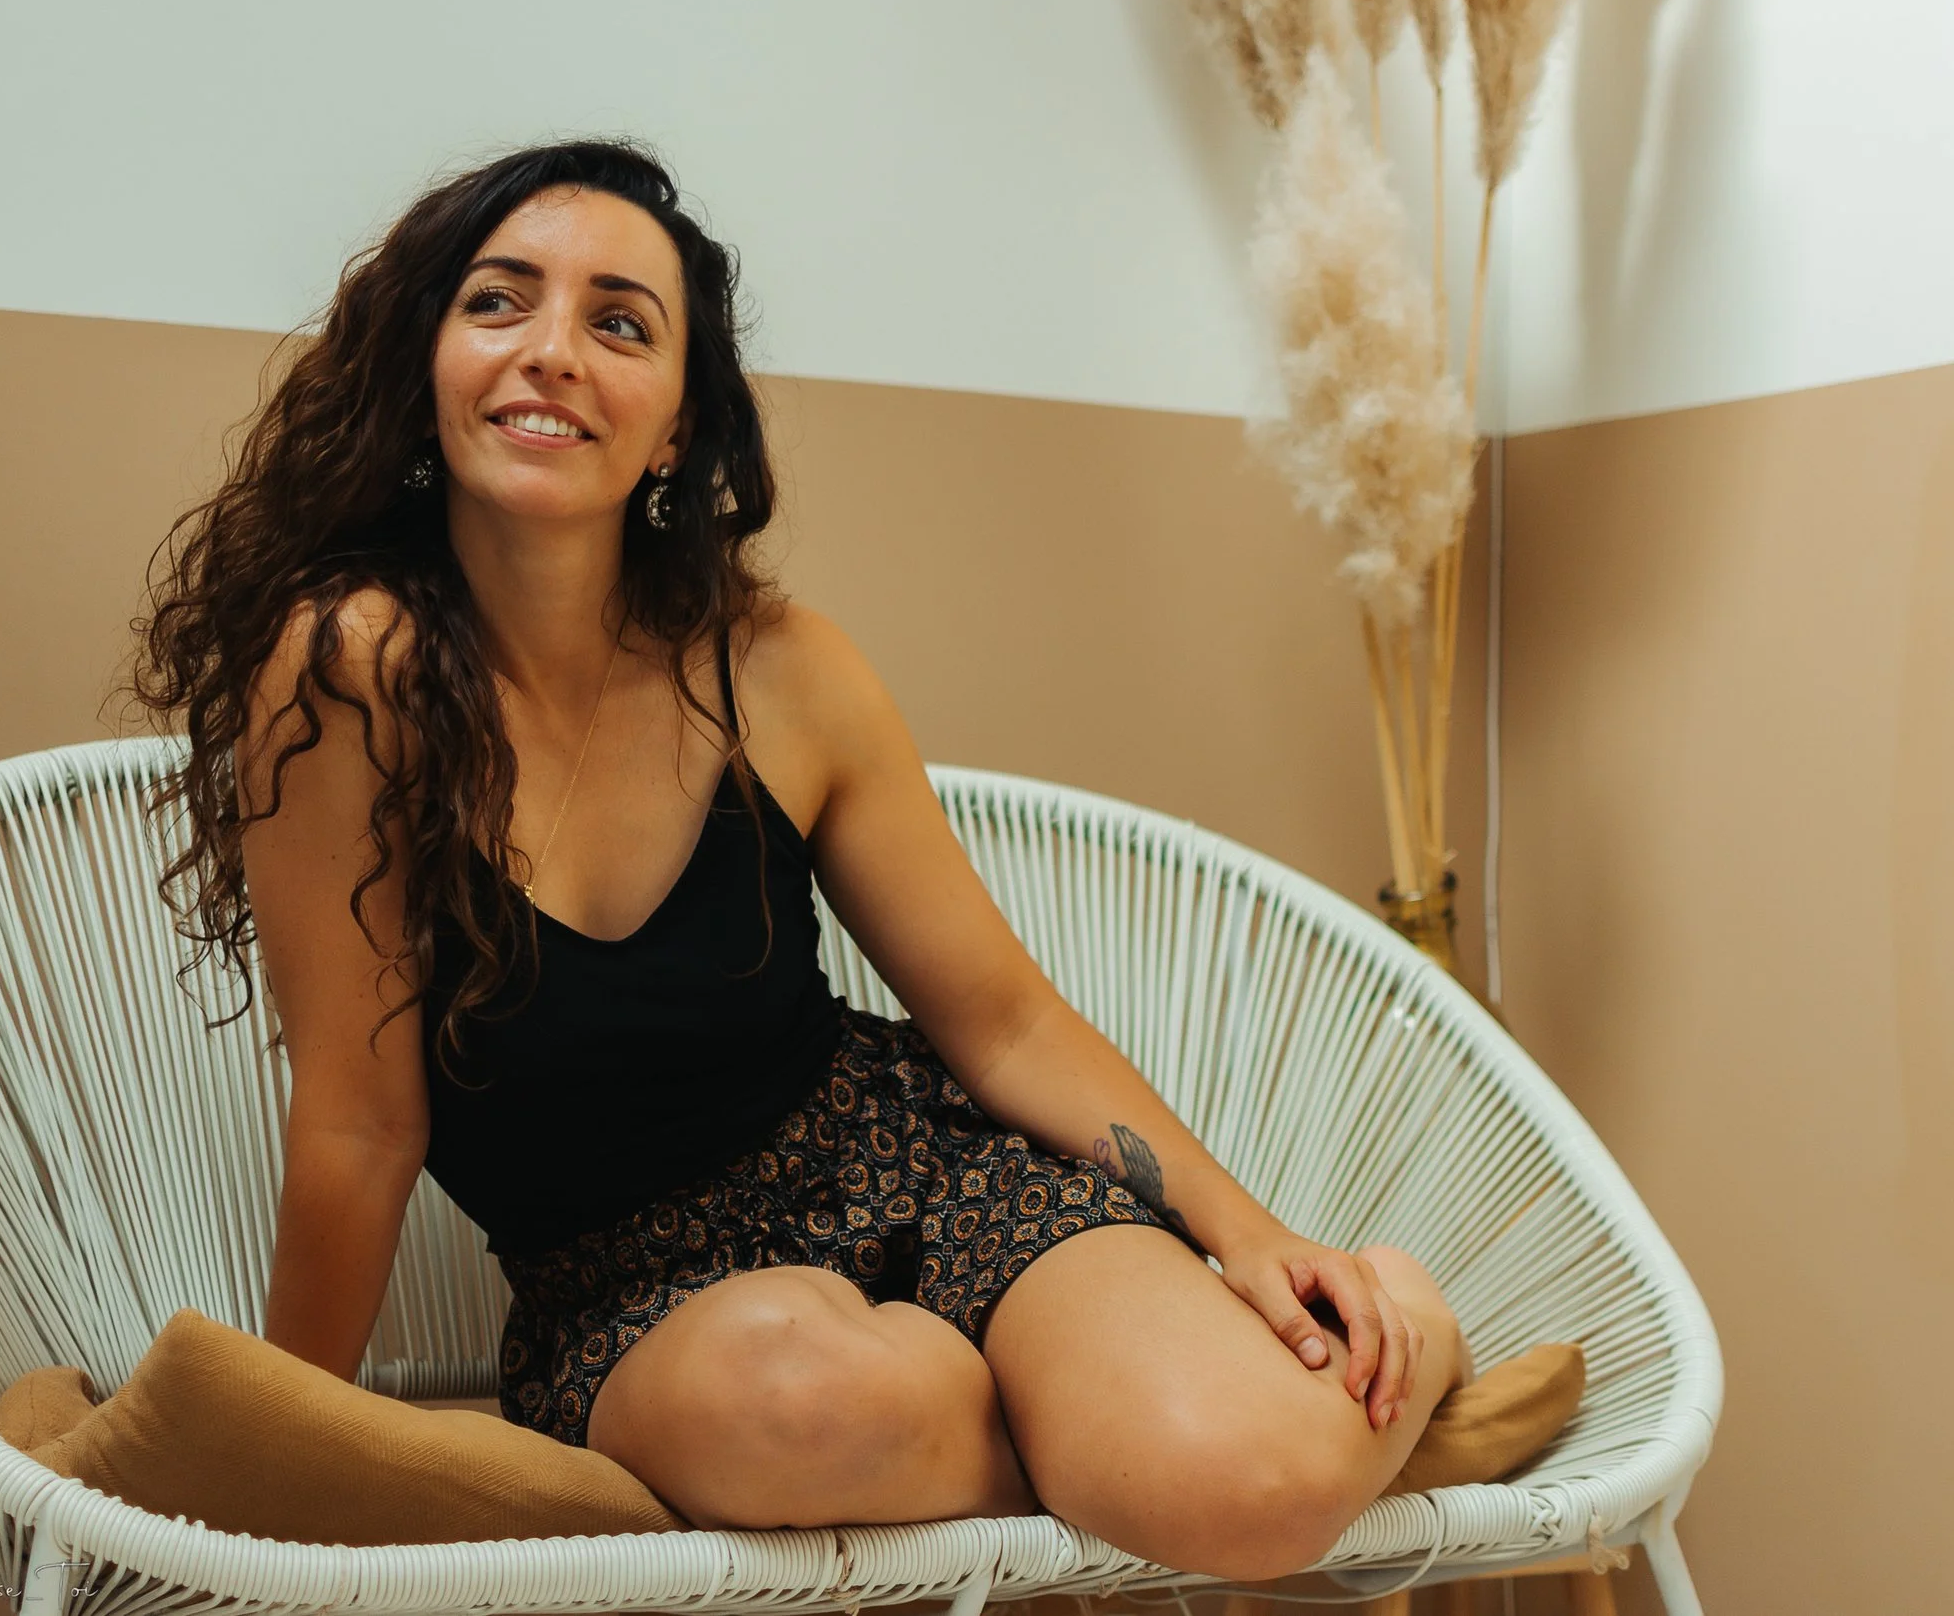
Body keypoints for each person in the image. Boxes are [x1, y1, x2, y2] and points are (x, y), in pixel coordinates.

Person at [133, 138, 1471, 1582]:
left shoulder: (782, 670)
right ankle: (1097, 1440)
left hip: (928, 1173)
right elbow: (359, 1126)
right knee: (803, 1395)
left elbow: (1002, 1018)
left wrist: (1252, 1236)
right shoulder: (349, 670)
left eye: (620, 322)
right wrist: (284, 1470)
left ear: (672, 433)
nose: (553, 353)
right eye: (499, 303)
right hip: (639, 1298)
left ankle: (1382, 1328)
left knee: (1256, 1487)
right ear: (424, 368)